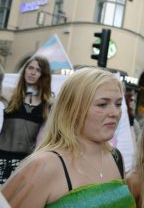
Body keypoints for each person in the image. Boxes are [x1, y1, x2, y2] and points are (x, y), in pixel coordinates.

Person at [1, 68, 134, 207]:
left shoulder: (116, 157)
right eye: (102, 104)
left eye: (118, 104)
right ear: (72, 109)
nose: (115, 113)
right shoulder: (44, 166)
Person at [0, 56, 52, 184]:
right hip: (1, 156)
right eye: (30, 68)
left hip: (25, 161)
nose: (32, 72)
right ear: (25, 70)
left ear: (43, 75)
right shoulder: (8, 94)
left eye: (38, 70)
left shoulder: (48, 103)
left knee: (15, 202)